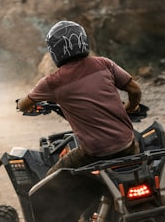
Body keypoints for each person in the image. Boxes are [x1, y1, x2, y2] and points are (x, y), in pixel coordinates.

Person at [16, 20, 143, 175]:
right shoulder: (104, 64)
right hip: (127, 145)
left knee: (52, 178)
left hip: (95, 151)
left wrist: (23, 104)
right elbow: (135, 90)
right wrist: (130, 107)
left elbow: (23, 105)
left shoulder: (52, 82)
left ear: (55, 50)